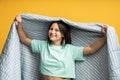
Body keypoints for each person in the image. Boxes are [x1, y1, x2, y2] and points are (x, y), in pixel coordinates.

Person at [15, 15, 107, 80]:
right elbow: (24, 39)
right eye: (51, 29)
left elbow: (91, 49)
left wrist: (105, 37)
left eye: (56, 30)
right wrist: (19, 24)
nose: (52, 32)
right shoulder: (42, 45)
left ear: (62, 34)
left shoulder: (69, 50)